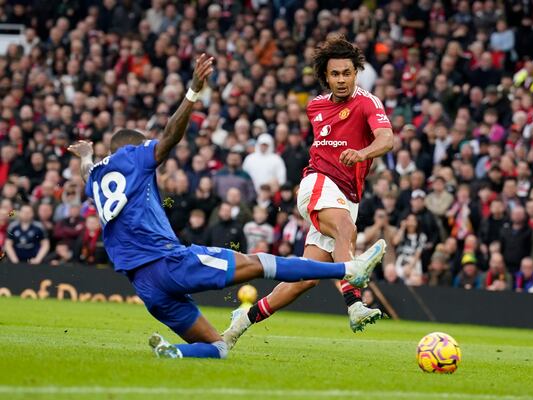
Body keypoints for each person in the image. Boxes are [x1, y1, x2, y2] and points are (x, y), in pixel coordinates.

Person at [67, 54, 386, 359]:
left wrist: (85, 156)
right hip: (170, 263)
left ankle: (184, 347)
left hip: (144, 285)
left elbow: (86, 171)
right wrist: (193, 90)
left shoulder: (95, 176)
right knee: (261, 261)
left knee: (218, 347)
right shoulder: (134, 156)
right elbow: (168, 138)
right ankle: (351, 281)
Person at [224, 35, 394, 346]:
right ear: (325, 76)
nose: (341, 80)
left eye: (346, 73)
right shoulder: (315, 106)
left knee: (307, 278)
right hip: (317, 183)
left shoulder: (368, 102)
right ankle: (354, 303)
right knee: (346, 228)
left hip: (346, 194)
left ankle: (243, 320)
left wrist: (362, 153)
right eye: (334, 74)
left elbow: (387, 138)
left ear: (356, 72)